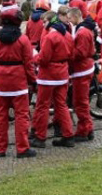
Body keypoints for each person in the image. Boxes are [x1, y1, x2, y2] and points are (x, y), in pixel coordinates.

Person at [0, 7, 37, 158]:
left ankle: (0, 148)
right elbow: (29, 64)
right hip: (18, 80)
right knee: (22, 115)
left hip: (1, 81)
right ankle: (22, 148)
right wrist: (32, 81)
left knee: (0, 115)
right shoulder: (23, 39)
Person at [31, 18, 74, 148]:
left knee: (42, 106)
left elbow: (43, 59)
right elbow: (71, 54)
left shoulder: (50, 37)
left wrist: (34, 56)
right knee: (61, 105)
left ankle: (40, 136)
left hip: (48, 75)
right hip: (62, 72)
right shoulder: (67, 35)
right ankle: (68, 135)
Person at [67, 7, 95, 142]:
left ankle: (84, 130)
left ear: (76, 16)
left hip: (82, 70)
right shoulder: (83, 30)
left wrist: (67, 53)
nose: (69, 21)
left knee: (80, 102)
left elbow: (80, 53)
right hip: (83, 69)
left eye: (70, 18)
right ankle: (87, 128)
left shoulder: (82, 32)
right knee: (81, 101)